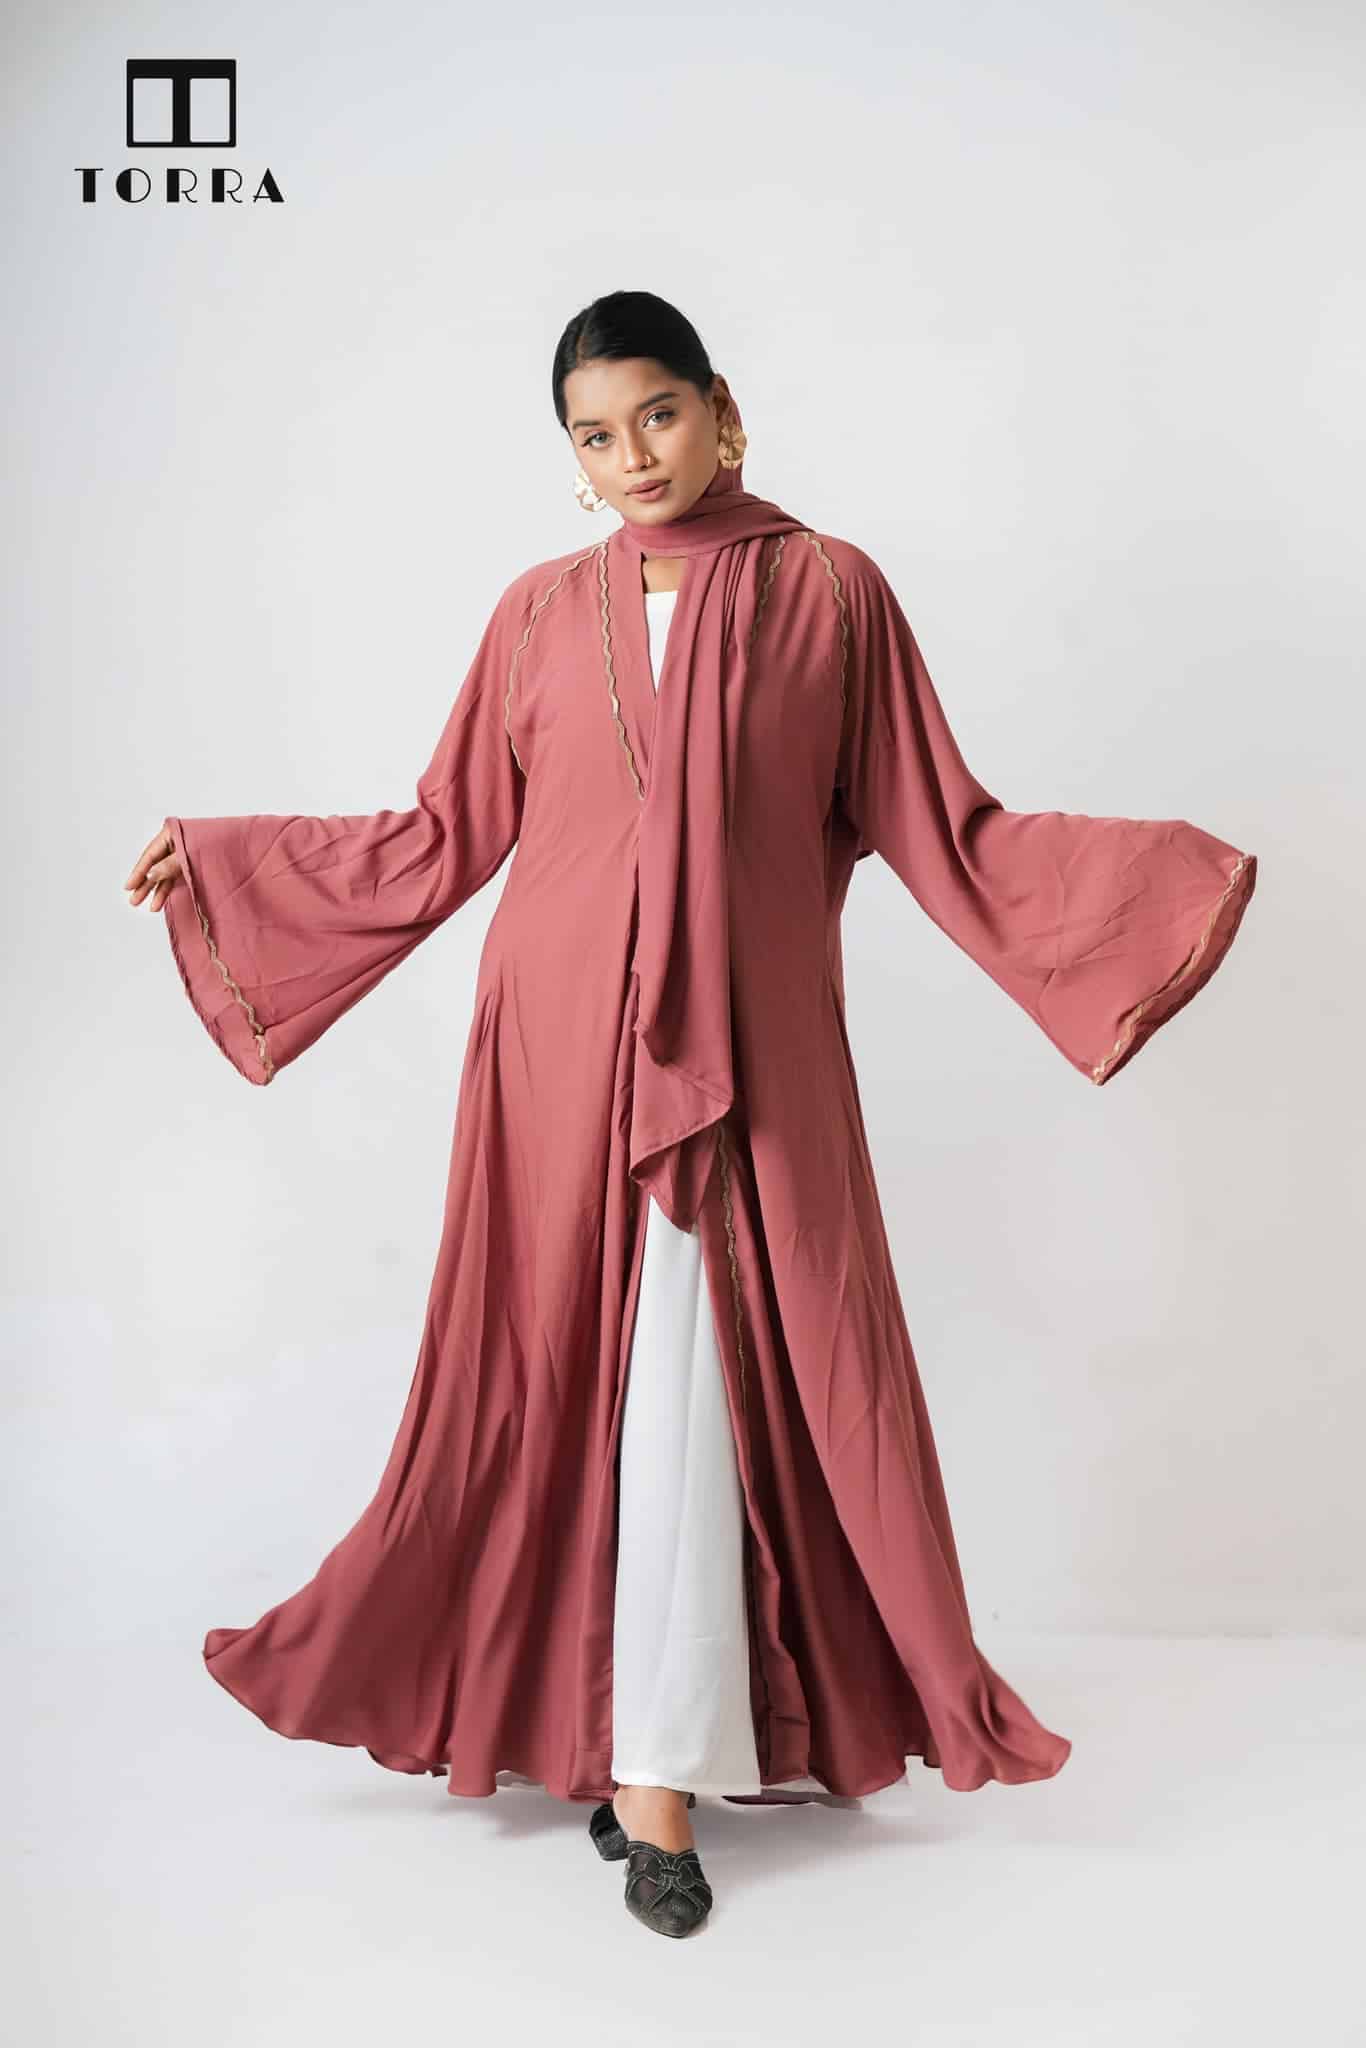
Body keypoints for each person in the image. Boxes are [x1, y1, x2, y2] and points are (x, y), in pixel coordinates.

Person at [124, 289, 1258, 1941]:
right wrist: (227, 859)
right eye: (594, 436)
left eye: (655, 414)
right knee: (578, 1376)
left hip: (751, 1045)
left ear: (721, 409)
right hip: (553, 1049)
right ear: (571, 460)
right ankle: (636, 1755)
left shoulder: (828, 591)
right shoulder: (533, 613)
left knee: (722, 1376)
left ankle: (661, 1748)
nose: (632, 456)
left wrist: (1156, 881)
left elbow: (942, 821)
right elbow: (440, 831)